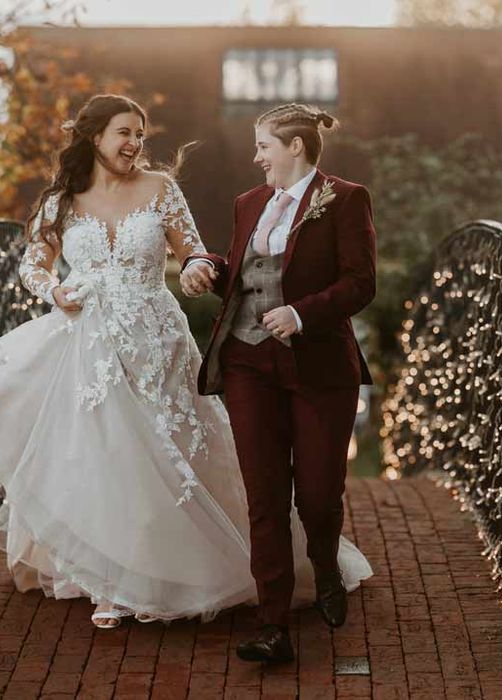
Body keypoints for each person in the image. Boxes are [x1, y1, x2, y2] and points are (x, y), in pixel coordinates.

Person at [0, 94, 372, 633]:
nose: (134, 144)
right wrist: (55, 291)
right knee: (106, 457)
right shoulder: (61, 200)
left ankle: (214, 571)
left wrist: (198, 267)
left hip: (158, 340)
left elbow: (194, 249)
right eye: (124, 133)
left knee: (172, 455)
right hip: (91, 345)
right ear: (94, 137)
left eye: (140, 135)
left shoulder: (160, 189)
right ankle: (113, 578)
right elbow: (34, 265)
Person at [180, 102, 376, 663]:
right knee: (265, 497)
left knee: (316, 495)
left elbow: (361, 283)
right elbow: (244, 275)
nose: (256, 157)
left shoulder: (346, 198)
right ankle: (273, 626)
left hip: (318, 368)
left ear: (294, 145)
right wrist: (207, 269)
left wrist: (303, 314)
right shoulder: (248, 203)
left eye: (264, 145)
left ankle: (326, 566)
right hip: (246, 364)